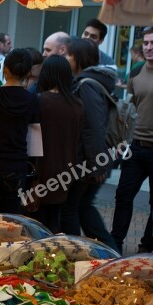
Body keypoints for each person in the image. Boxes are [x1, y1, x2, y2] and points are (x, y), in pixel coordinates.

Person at [59, 37, 118, 250]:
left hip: (87, 160)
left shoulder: (87, 85)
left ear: (79, 58)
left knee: (70, 209)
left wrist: (97, 163)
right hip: (90, 158)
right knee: (82, 207)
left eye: (69, 55)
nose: (65, 58)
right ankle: (109, 251)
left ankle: (76, 253)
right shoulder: (91, 81)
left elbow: (93, 127)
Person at [111, 26, 153, 254]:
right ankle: (115, 243)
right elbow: (130, 109)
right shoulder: (136, 71)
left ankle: (145, 249)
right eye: (146, 43)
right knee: (123, 195)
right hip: (135, 146)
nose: (149, 47)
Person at [0, 49, 38, 214]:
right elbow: (35, 140)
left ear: (5, 69)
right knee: (11, 217)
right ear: (28, 73)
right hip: (16, 166)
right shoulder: (32, 100)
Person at [27, 55, 83, 233]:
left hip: (41, 171)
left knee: (34, 224)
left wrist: (33, 175)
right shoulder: (77, 105)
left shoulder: (38, 101)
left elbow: (33, 141)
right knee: (54, 220)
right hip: (67, 170)